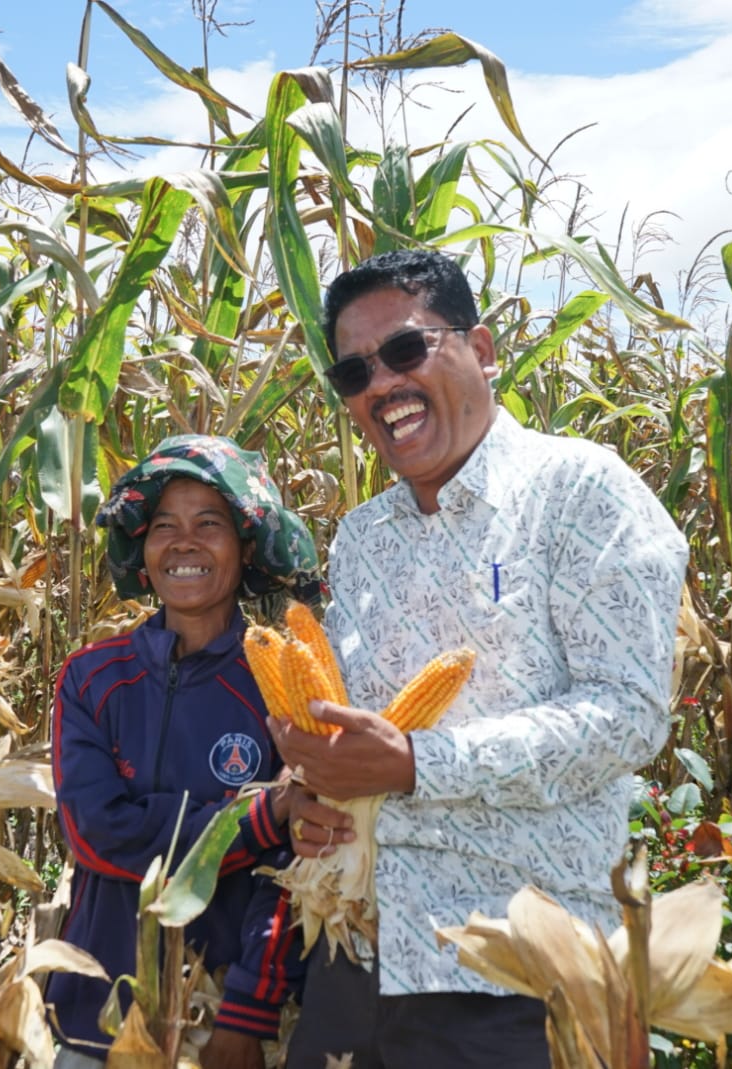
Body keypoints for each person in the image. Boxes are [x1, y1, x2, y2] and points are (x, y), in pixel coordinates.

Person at [273, 249, 689, 1069]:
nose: (380, 384)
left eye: (405, 350)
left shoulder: (578, 492)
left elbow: (627, 712)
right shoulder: (361, 537)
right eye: (353, 371)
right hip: (356, 956)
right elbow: (353, 732)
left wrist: (416, 763)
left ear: (484, 350)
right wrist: (305, 789)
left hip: (514, 970)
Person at [47, 435, 321, 1069]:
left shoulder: (283, 681)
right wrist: (254, 817)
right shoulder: (91, 678)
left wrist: (248, 1012)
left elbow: (298, 870)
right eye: (164, 525)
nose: (184, 542)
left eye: (209, 524)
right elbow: (96, 834)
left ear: (246, 547)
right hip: (98, 1018)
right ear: (142, 551)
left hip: (228, 1024)